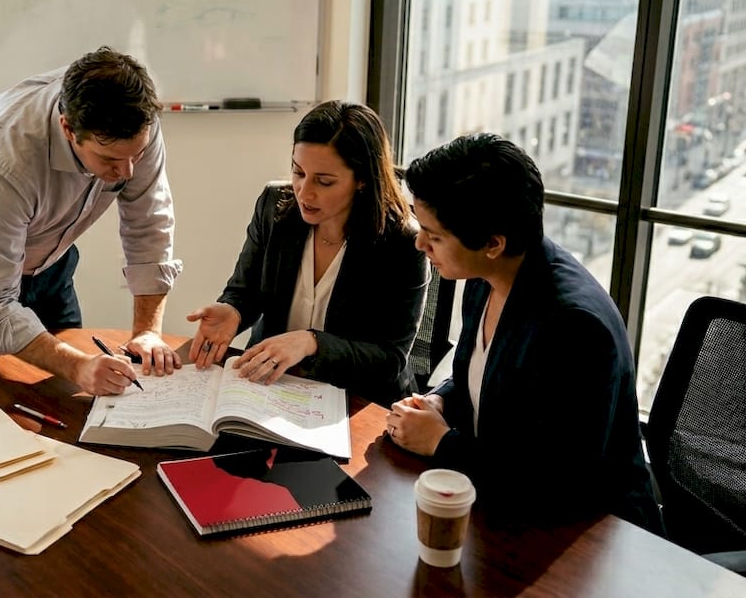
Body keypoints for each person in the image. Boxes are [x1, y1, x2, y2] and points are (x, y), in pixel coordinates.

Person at [385, 133, 662, 533]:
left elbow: (556, 484)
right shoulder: (486, 275)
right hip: (499, 507)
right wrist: (439, 402)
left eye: (435, 235)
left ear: (493, 243)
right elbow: (482, 379)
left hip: (590, 538)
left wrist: (441, 443)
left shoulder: (575, 327)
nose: (419, 242)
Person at [0, 47, 183, 396]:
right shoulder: (5, 162)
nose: (127, 172)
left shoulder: (135, 124)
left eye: (137, 155)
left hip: (51, 260)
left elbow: (149, 225)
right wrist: (77, 365)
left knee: (67, 396)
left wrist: (147, 331)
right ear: (68, 128)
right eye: (110, 160)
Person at [187, 101, 428, 408]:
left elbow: (389, 359)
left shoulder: (403, 242)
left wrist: (312, 342)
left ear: (362, 179)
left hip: (356, 402)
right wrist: (233, 310)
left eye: (324, 181)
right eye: (298, 172)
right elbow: (244, 291)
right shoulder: (275, 206)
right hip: (272, 386)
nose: (304, 192)